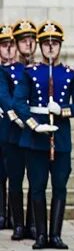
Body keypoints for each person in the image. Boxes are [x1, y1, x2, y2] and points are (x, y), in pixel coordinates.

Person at [14, 21, 74, 250]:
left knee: (59, 186)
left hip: (60, 138)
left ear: (60, 46)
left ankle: (56, 234)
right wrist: (34, 125)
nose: (50, 48)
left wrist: (63, 110)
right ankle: (41, 235)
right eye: (46, 44)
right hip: (36, 138)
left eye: (54, 44)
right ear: (40, 46)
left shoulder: (69, 73)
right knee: (37, 187)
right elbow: (19, 102)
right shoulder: (30, 72)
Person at [11, 20, 38, 240]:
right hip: (14, 131)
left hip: (33, 132)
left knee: (35, 180)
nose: (27, 44)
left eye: (31, 40)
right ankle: (19, 223)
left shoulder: (38, 70)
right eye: (23, 41)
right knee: (16, 179)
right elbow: (9, 97)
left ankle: (33, 224)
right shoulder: (10, 70)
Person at [0, 23, 19, 231]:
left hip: (11, 127)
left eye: (11, 45)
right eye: (4, 45)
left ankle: (13, 215)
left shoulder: (21, 71)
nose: (8, 49)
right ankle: (1, 214)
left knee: (12, 172)